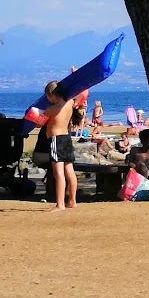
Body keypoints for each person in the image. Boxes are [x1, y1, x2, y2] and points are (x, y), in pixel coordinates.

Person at [30, 80, 88, 212]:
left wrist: (34, 116)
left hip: (56, 140)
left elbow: (39, 124)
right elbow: (83, 93)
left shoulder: (51, 109)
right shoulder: (70, 103)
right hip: (67, 139)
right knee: (70, 171)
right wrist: (75, 75)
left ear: (51, 95)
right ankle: (72, 201)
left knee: (59, 173)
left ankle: (60, 204)